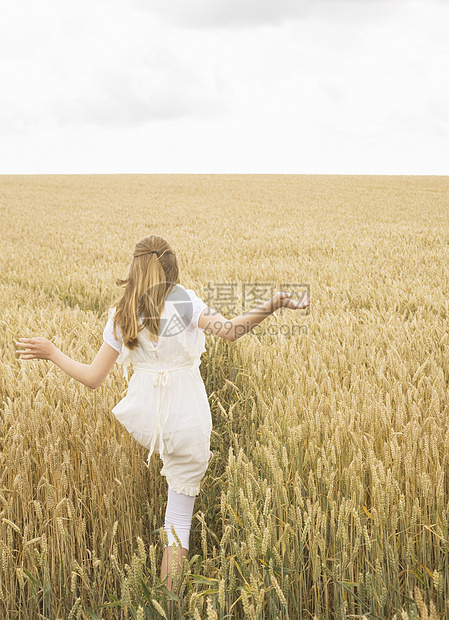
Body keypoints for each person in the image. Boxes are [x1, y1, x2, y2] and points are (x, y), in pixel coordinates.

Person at [15, 234, 311, 610]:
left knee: (176, 507)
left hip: (149, 419)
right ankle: (169, 608)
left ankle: (161, 605)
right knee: (179, 521)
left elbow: (92, 378)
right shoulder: (184, 301)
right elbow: (233, 332)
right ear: (172, 269)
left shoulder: (122, 314)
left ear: (136, 267)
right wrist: (274, 303)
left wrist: (52, 352)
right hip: (187, 418)